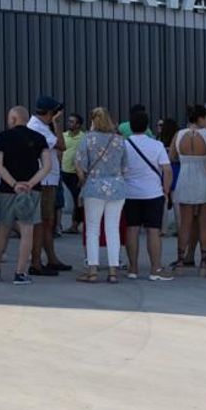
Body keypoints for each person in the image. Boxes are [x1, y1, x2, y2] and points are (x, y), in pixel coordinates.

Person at [0, 106, 53, 285]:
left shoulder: (2, 137)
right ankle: (20, 273)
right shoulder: (39, 138)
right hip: (31, 191)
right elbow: (48, 166)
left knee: (2, 229)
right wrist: (30, 184)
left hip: (7, 190)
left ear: (13, 119)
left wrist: (14, 184)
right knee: (27, 232)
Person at [116, 105, 172, 281]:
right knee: (153, 231)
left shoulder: (123, 145)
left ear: (130, 126)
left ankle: (133, 268)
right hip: (153, 193)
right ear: (147, 126)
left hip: (130, 193)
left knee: (131, 230)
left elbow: (118, 168)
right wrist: (166, 191)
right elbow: (167, 170)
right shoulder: (157, 145)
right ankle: (156, 269)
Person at [73, 107, 128, 283]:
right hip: (117, 187)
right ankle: (113, 272)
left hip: (94, 187)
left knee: (92, 229)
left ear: (93, 121)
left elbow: (79, 165)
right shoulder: (119, 140)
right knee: (113, 229)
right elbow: (125, 166)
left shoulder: (87, 139)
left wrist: (83, 180)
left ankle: (93, 271)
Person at [27, 96, 70, 274]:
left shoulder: (42, 126)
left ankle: (51, 258)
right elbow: (62, 145)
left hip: (47, 179)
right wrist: (58, 124)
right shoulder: (38, 128)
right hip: (43, 181)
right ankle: (36, 263)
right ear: (50, 113)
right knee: (42, 222)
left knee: (47, 222)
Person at [172, 105, 206, 273]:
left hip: (185, 178)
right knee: (204, 222)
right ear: (199, 119)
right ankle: (204, 263)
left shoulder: (179, 134)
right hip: (204, 177)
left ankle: (180, 262)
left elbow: (172, 157)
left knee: (185, 222)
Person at [61, 112, 85, 233]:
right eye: (69, 121)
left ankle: (75, 225)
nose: (69, 123)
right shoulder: (63, 136)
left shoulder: (84, 137)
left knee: (78, 200)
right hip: (63, 171)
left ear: (78, 125)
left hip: (77, 173)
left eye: (72, 122)